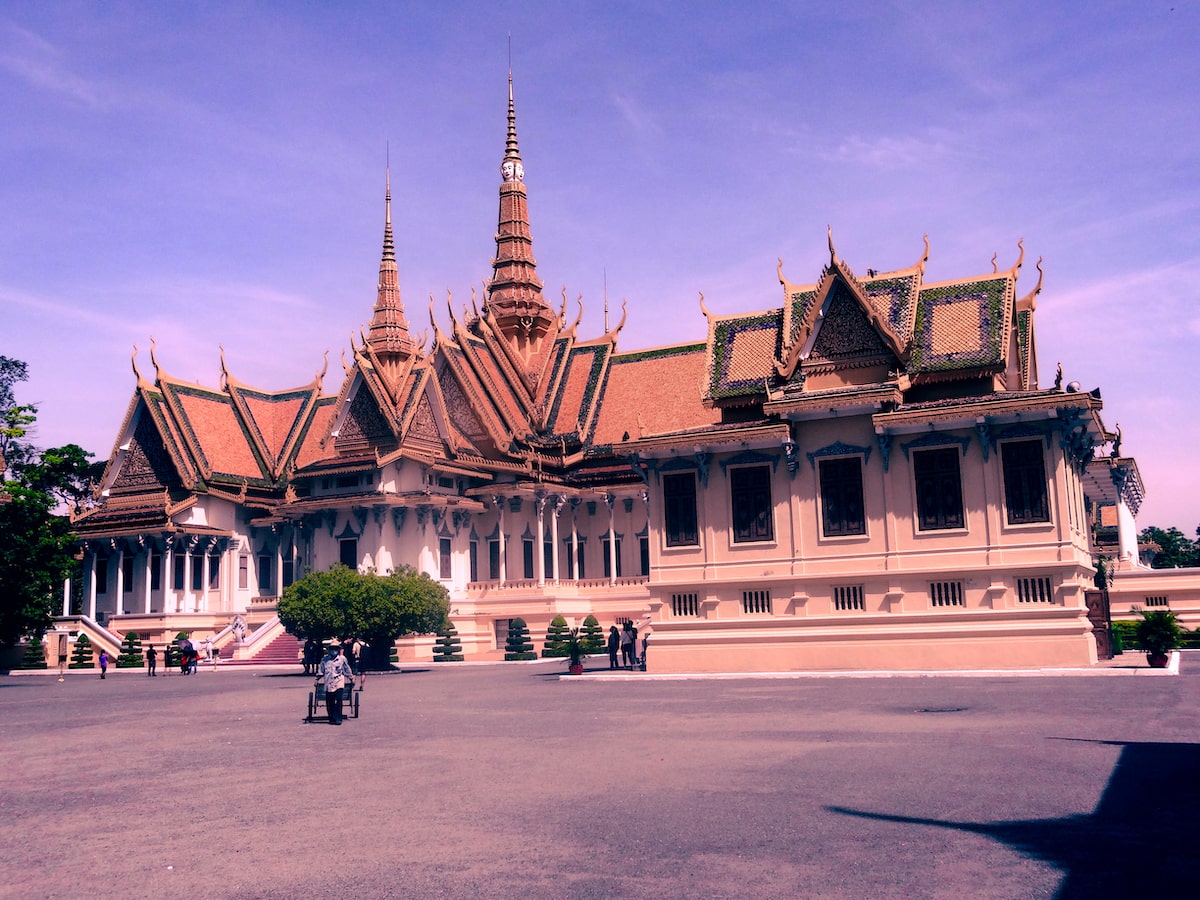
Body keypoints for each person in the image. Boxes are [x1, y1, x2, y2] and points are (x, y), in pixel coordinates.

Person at [319, 644, 353, 725]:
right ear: (329, 650)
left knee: (339, 699)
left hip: (339, 681)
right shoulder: (325, 660)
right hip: (328, 682)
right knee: (330, 701)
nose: (334, 650)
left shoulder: (342, 659)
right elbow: (321, 670)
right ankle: (331, 717)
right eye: (332, 648)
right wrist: (317, 679)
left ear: (338, 649)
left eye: (335, 648)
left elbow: (346, 669)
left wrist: (351, 677)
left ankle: (338, 718)